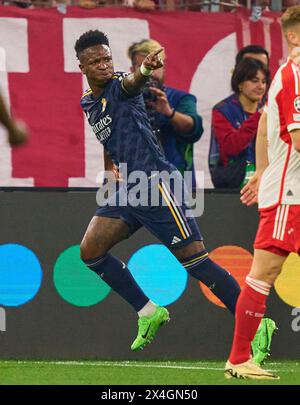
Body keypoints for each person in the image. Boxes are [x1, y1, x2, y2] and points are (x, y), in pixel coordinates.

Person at [75, 30, 273, 356]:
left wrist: (144, 70)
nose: (103, 65)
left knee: (196, 262)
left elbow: (131, 84)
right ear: (81, 66)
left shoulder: (121, 85)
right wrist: (110, 166)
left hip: (158, 184)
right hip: (131, 189)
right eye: (95, 61)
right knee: (90, 251)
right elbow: (108, 134)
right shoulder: (87, 101)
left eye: (107, 58)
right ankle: (148, 311)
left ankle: (256, 323)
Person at [225, 5, 300, 380]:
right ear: (293, 36)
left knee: (261, 274)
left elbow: (265, 123)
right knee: (262, 274)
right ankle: (238, 360)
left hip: (285, 188)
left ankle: (238, 360)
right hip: (291, 195)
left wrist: (258, 171)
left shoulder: (286, 77)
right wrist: (269, 174)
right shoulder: (294, 75)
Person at [127, 39, 203, 190]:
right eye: (144, 66)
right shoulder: (124, 99)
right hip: (134, 181)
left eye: (155, 66)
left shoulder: (180, 99)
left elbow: (194, 128)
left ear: (163, 68)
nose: (150, 72)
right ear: (132, 69)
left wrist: (169, 113)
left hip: (177, 183)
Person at [209, 58, 270, 188]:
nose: (261, 86)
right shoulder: (222, 110)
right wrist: (258, 116)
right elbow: (231, 146)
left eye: (264, 82)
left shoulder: (271, 109)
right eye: (254, 81)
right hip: (232, 185)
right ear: (240, 84)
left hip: (267, 184)